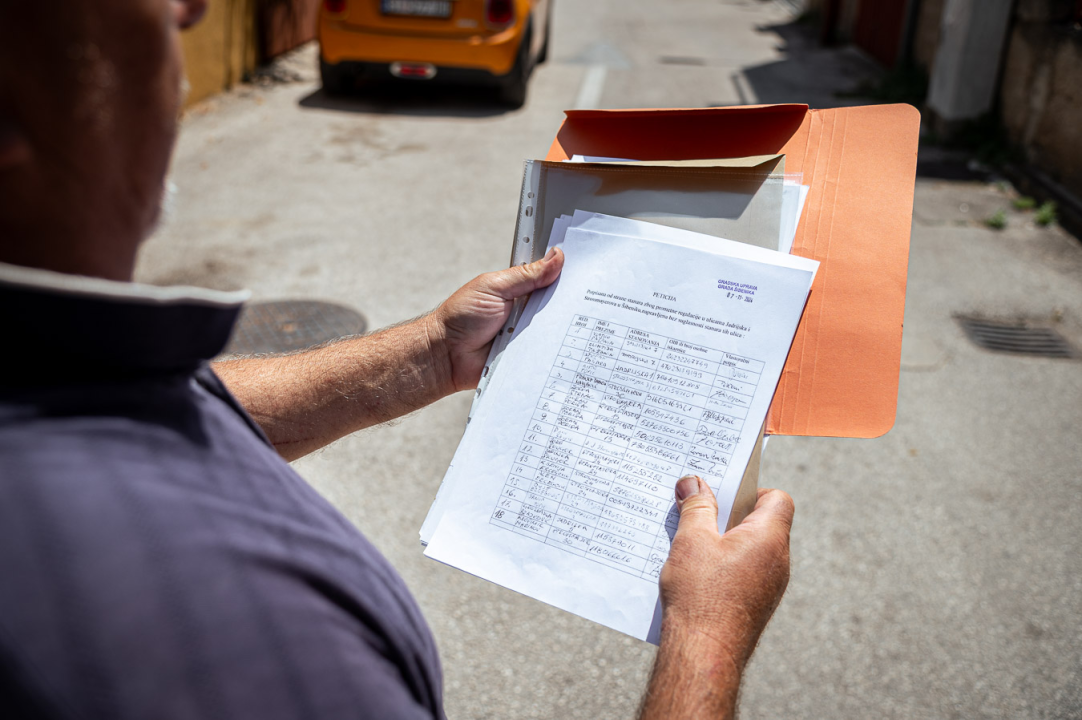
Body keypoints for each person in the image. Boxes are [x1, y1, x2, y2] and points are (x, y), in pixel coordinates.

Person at [0, 1, 795, 718]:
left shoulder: (61, 388)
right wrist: (706, 638)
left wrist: (428, 355)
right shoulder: (229, 635)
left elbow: (174, 413)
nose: (191, 8)